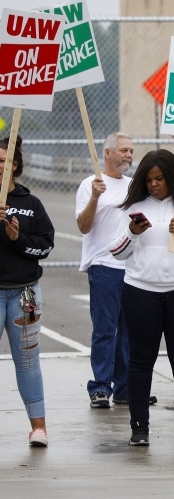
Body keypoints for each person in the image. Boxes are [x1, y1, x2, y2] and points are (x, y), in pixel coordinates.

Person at [110, 149, 174, 446]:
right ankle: (139, 427)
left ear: (171, 178)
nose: (154, 184)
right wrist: (132, 232)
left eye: (159, 179)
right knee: (141, 360)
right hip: (141, 291)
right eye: (148, 179)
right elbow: (117, 253)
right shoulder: (131, 208)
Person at [77, 132, 144, 409]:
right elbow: (83, 226)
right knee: (105, 329)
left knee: (129, 331)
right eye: (124, 150)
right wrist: (94, 197)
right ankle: (100, 387)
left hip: (131, 266)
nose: (129, 155)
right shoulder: (90, 184)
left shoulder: (133, 186)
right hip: (104, 266)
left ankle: (124, 387)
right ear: (107, 153)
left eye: (131, 150)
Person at [0, 134, 55, 447]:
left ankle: (39, 428)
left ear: (15, 165)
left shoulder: (30, 204)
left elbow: (45, 246)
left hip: (25, 296)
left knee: (28, 362)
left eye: (3, 161)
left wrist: (17, 238)